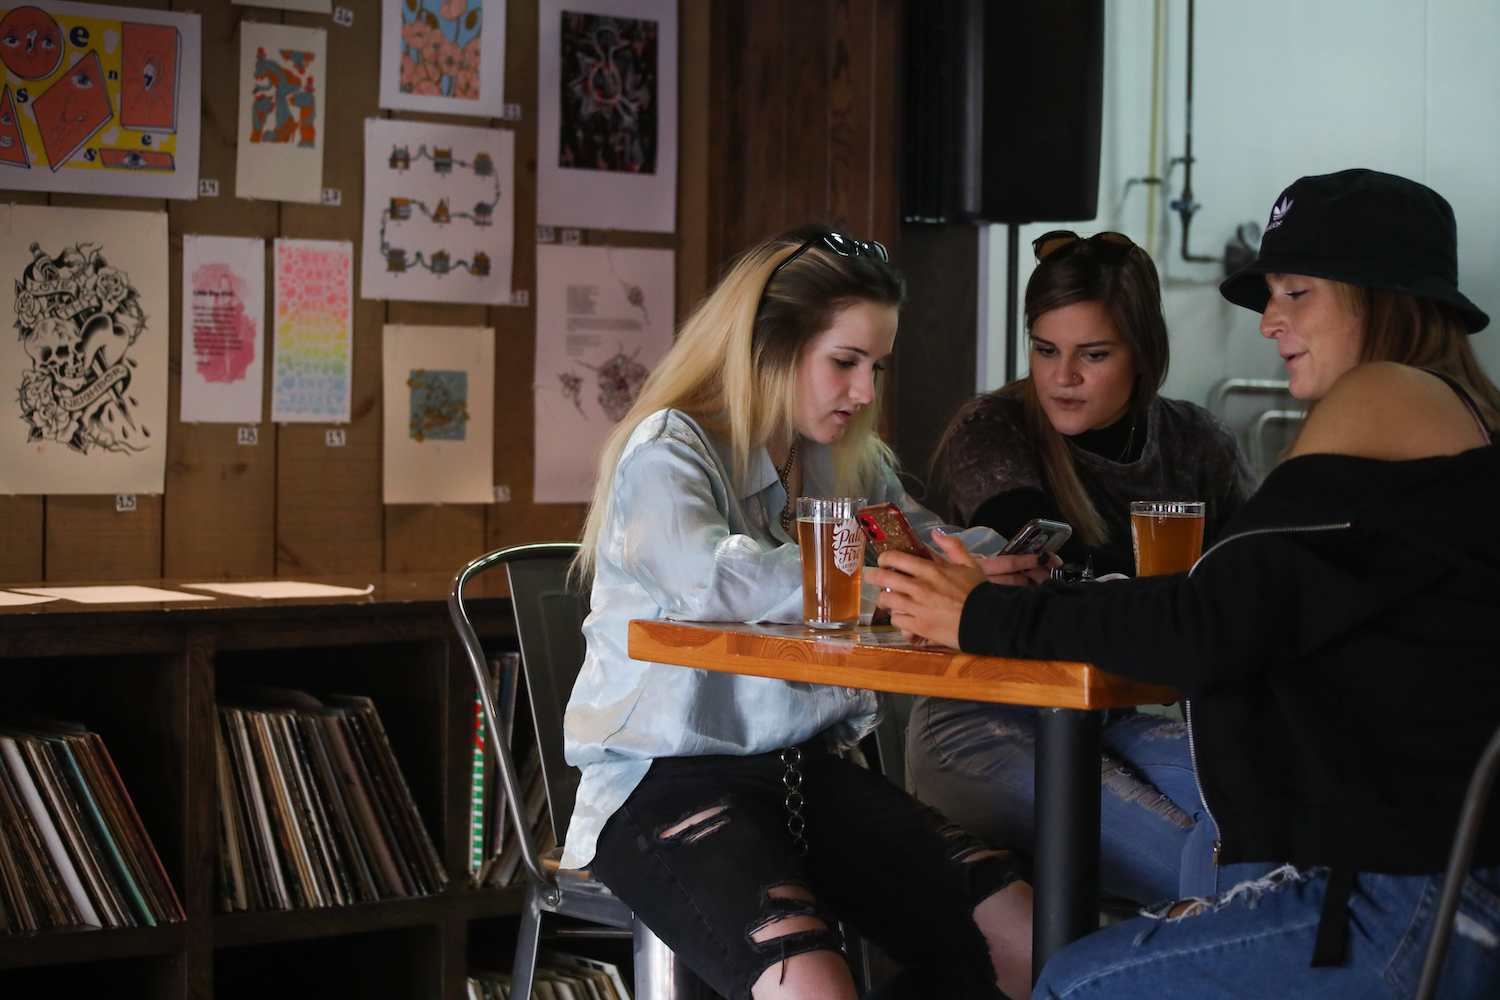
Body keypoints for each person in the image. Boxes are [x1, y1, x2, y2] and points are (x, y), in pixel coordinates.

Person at [870, 168, 1500, 998]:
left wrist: (985, 613)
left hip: (1401, 902)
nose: (1270, 322)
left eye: (1297, 293)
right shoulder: (1468, 417)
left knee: (1074, 982)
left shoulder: (1383, 393)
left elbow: (1208, 619)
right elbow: (1235, 611)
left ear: (1383, 297)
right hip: (1441, 889)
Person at [562, 225, 1051, 1000]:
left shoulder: (837, 456)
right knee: (815, 989)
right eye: (845, 363)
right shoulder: (669, 448)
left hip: (807, 777)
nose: (864, 391)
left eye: (876, 368)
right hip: (666, 783)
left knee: (1031, 941)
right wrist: (883, 575)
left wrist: (989, 562)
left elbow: (929, 537)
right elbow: (710, 586)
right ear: (768, 347)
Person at [909, 230, 1257, 907]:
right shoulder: (994, 427)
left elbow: (1247, 598)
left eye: (1092, 355)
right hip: (986, 719)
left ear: (1144, 354)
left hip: (1124, 714)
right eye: (1046, 350)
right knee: (1217, 868)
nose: (1061, 377)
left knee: (1273, 814)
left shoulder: (1199, 442)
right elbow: (1057, 589)